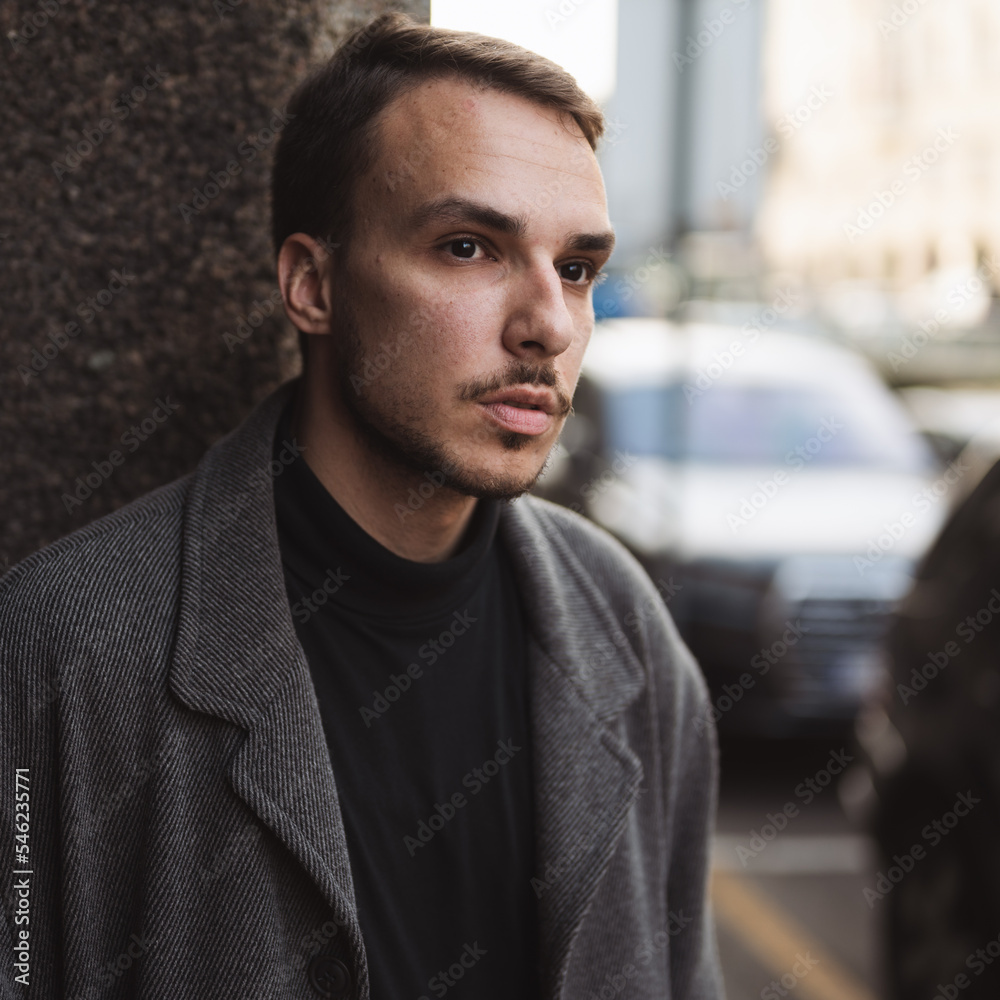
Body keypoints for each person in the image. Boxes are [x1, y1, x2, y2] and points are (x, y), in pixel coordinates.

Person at [1, 13, 724, 998]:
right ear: (312, 283)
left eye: (577, 268)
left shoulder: (628, 636)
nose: (548, 324)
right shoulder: (61, 650)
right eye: (469, 247)